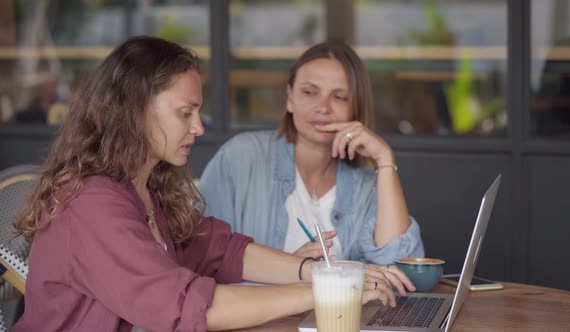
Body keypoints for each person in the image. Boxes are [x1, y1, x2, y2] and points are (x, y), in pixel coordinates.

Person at [11, 36, 413, 332]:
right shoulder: (92, 202)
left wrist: (319, 272)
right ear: (133, 112)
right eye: (185, 113)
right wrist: (333, 290)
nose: (199, 127)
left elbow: (220, 250)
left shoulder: (145, 189)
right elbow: (184, 305)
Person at [200, 41, 424, 263]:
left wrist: (385, 161)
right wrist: (289, 268)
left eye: (339, 97)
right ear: (290, 99)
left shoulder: (366, 185)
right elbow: (203, 258)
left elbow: (401, 267)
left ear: (356, 107)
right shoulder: (240, 157)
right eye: (309, 92)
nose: (323, 107)